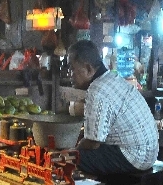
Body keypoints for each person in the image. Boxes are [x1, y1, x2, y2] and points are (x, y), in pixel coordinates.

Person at [67, 40, 158, 177]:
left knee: (75, 157)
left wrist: (73, 149)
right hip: (149, 153)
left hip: (135, 157)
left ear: (89, 69)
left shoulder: (97, 90)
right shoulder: (112, 78)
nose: (70, 74)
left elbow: (93, 142)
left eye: (72, 69)